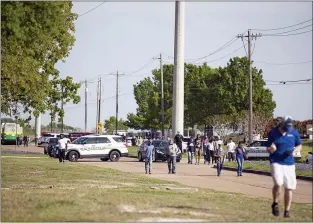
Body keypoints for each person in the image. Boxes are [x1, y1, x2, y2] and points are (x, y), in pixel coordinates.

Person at [266, 116, 302, 218]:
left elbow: (299, 145)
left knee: (289, 188)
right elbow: (267, 148)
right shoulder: (273, 133)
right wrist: (271, 149)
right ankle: (275, 203)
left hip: (289, 163)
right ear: (282, 124)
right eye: (287, 126)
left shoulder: (294, 132)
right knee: (278, 183)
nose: (288, 128)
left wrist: (294, 150)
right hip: (276, 161)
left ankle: (287, 211)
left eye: (290, 126)